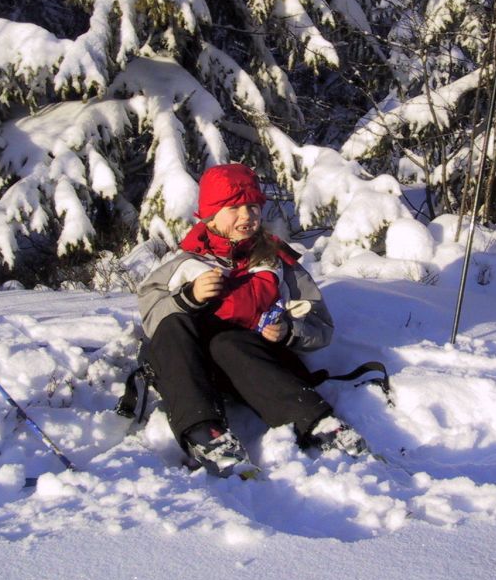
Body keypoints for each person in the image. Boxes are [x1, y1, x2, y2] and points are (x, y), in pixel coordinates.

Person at [136, 163, 368, 477]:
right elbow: (151, 311)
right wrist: (188, 297)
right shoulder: (187, 263)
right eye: (234, 207)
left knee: (228, 341)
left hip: (256, 365)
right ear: (210, 215)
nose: (247, 216)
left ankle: (319, 423)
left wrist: (289, 332)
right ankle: (204, 431)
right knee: (174, 322)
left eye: (253, 207)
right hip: (192, 369)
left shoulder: (277, 263)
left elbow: (321, 326)